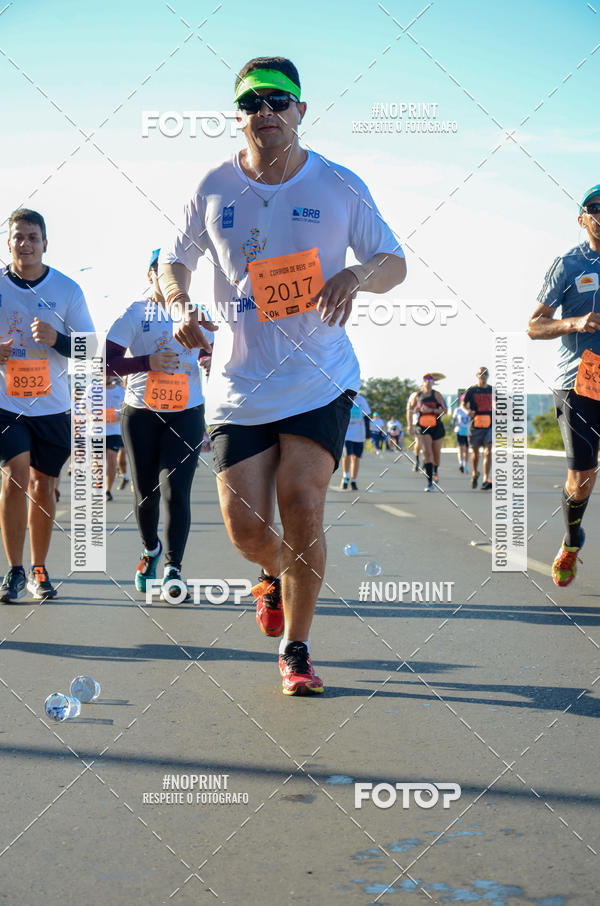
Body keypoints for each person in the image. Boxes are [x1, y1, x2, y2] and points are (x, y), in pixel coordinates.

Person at [158, 56, 406, 694]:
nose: (264, 112)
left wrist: (355, 275)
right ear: (239, 115)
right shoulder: (212, 185)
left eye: (277, 100)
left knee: (303, 503)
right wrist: (180, 303)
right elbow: (172, 261)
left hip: (320, 376)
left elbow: (392, 261)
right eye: (251, 103)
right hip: (240, 383)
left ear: (301, 109)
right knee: (247, 532)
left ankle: (297, 648)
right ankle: (272, 573)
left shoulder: (338, 185)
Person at [0, 209, 94, 601]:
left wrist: (58, 339)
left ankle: (39, 569)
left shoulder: (68, 290)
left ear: (45, 244)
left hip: (53, 407)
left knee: (44, 486)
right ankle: (15, 571)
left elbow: (91, 349)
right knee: (16, 474)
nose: (25, 244)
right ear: (9, 243)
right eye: (18, 237)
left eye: (32, 237)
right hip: (7, 404)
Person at [106, 249, 211, 601]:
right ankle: (150, 549)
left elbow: (211, 352)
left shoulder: (198, 314)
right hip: (141, 414)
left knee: (175, 492)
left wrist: (211, 359)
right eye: (162, 273)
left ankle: (173, 569)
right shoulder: (134, 314)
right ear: (151, 276)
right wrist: (145, 361)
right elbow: (104, 365)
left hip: (187, 412)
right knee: (146, 494)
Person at [528, 183, 600, 586]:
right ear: (583, 219)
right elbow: (534, 325)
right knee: (581, 478)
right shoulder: (569, 264)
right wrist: (574, 322)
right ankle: (572, 540)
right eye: (596, 208)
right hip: (579, 382)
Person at [410, 374, 447, 491]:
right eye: (426, 379)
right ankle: (429, 483)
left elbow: (444, 410)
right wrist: (415, 411)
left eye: (430, 379)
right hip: (423, 427)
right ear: (423, 381)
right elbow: (411, 409)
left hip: (436, 426)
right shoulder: (417, 395)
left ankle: (435, 470)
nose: (428, 381)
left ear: (433, 382)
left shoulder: (437, 395)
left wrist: (431, 410)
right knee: (427, 453)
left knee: (436, 456)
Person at [464, 367, 493, 489]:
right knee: (475, 453)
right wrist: (467, 411)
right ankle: (475, 473)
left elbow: (497, 402)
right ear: (477, 375)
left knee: (488, 451)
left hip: (489, 424)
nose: (483, 375)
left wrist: (499, 410)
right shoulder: (471, 390)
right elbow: (463, 404)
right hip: (475, 424)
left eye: (485, 373)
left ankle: (486, 478)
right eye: (481, 374)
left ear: (488, 376)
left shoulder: (492, 390)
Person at [340, 392, 371, 490]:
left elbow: (367, 417)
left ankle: (353, 480)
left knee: (356, 457)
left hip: (359, 434)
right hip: (347, 434)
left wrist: (368, 432)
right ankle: (346, 476)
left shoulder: (361, 400)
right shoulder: (342, 398)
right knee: (346, 456)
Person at [103, 375, 125, 500]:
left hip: (114, 431)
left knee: (111, 458)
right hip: (96, 430)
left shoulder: (120, 391)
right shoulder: (91, 389)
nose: (106, 376)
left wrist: (120, 416)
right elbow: (84, 407)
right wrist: (90, 415)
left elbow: (126, 408)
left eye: (108, 373)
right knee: (98, 462)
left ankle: (107, 490)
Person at [452, 395, 470, 472]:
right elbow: (453, 420)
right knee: (460, 448)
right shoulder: (458, 410)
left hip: (468, 431)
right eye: (463, 401)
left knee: (466, 449)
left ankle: (465, 465)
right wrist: (453, 421)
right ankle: (461, 464)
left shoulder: (470, 410)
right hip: (459, 430)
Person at [406, 390, 422, 471]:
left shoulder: (435, 394)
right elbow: (409, 409)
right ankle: (417, 459)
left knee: (428, 444)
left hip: (431, 423)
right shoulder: (414, 395)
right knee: (418, 441)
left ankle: (427, 462)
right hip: (418, 422)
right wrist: (410, 425)